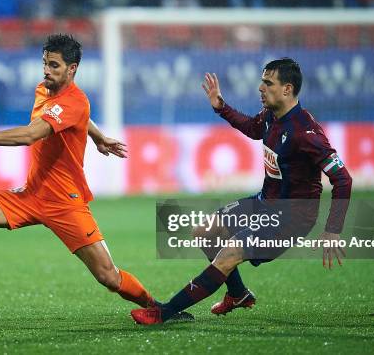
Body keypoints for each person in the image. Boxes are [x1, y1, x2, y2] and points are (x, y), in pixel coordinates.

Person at [0, 34, 156, 319]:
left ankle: (157, 307)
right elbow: (75, 118)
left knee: (109, 277)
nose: (47, 70)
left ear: (72, 70)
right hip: (31, 195)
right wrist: (97, 136)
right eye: (45, 63)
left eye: (55, 65)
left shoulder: (75, 101)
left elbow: (32, 134)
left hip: (65, 204)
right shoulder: (45, 90)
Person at [131, 58, 353, 325]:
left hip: (290, 219)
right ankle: (238, 294)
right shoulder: (273, 115)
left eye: (268, 83)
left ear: (287, 89)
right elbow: (252, 128)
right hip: (264, 204)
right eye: (262, 81)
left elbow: (342, 179)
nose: (260, 87)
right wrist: (221, 108)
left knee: (228, 256)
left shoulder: (305, 133)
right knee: (205, 231)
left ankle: (164, 313)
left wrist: (333, 230)